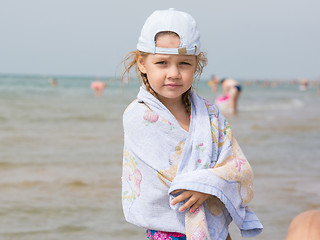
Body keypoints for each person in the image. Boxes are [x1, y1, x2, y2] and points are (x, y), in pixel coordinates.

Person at [121, 8, 263, 240]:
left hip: (216, 229)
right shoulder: (138, 115)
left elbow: (236, 163)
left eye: (184, 64)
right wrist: (208, 183)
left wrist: (206, 186)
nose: (174, 73)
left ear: (196, 64)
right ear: (142, 63)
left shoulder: (209, 113)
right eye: (162, 62)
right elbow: (169, 176)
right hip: (169, 231)